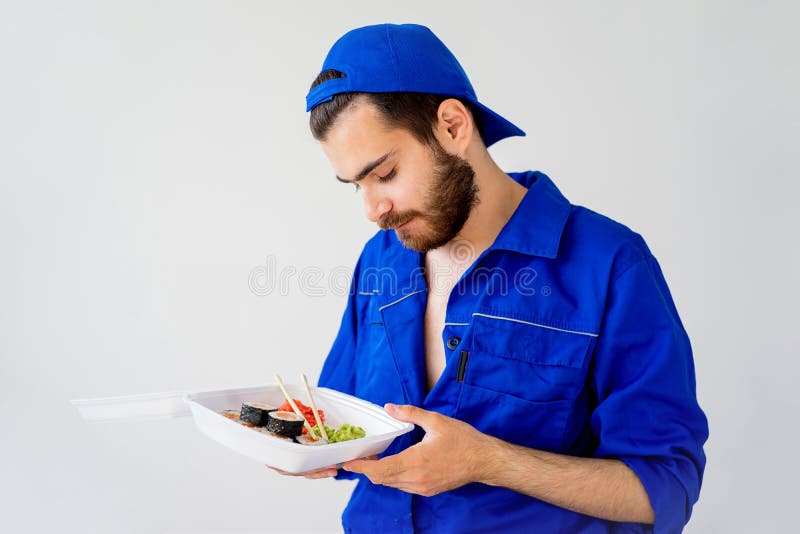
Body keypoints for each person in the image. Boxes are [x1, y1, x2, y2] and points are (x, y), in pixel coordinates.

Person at [273, 23, 708, 533]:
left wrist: (491, 462)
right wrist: (300, 443)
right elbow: (344, 425)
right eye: (356, 186)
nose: (373, 209)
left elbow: (666, 487)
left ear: (453, 126)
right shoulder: (381, 260)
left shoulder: (611, 266)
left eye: (385, 174)